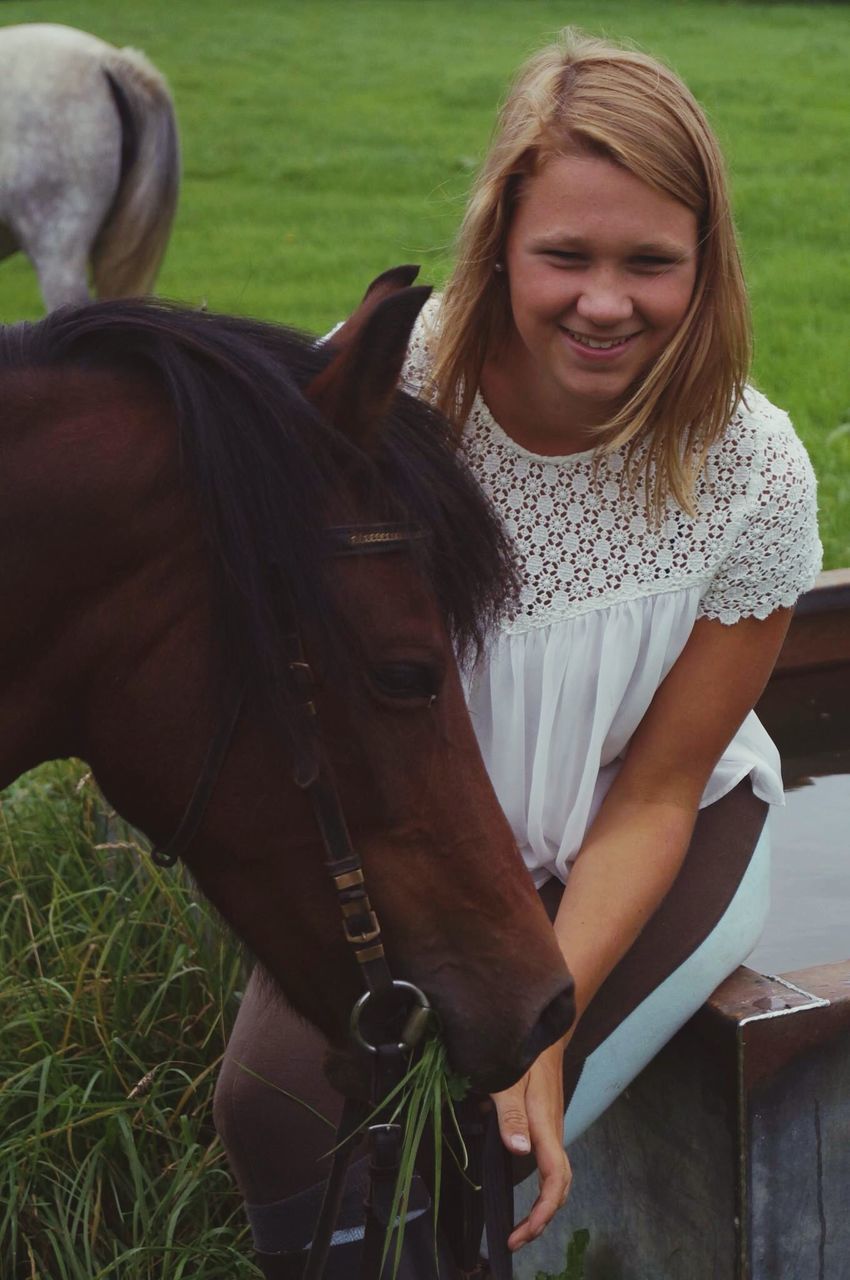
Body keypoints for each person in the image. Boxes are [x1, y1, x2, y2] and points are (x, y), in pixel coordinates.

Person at [213, 28, 821, 1278]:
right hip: (414, 831)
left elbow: (656, 788)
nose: (606, 302)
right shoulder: (385, 393)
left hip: (648, 830)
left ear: (705, 266)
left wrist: (544, 1031)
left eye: (651, 262)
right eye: (566, 256)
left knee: (472, 1148)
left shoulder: (754, 469)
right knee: (271, 1111)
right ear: (499, 240)